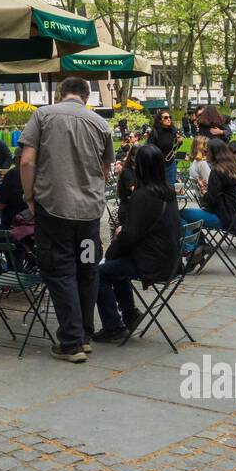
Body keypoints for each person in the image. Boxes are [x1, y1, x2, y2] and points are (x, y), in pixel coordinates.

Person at [19, 76, 114, 364]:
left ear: (62, 93)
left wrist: (29, 197)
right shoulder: (100, 124)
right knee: (87, 268)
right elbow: (106, 170)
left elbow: (26, 161)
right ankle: (84, 335)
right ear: (87, 96)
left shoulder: (44, 115)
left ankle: (71, 341)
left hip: (54, 209)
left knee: (60, 270)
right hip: (88, 214)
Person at [92, 145, 185, 343]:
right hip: (172, 260)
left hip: (152, 263)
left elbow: (129, 236)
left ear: (140, 167)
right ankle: (129, 313)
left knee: (99, 273)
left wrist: (112, 250)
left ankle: (113, 326)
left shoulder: (142, 195)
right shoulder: (168, 192)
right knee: (116, 265)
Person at [181, 138, 236, 245]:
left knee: (181, 214)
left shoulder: (217, 170)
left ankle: (191, 248)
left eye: (206, 151)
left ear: (213, 153)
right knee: (190, 216)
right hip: (233, 216)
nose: (205, 154)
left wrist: (204, 192)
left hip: (221, 217)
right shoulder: (233, 168)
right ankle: (199, 245)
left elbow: (212, 200)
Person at [0, 144, 28, 230]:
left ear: (18, 158)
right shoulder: (41, 173)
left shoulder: (12, 174)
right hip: (37, 230)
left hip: (13, 228)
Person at [147, 107, 183, 186]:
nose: (169, 119)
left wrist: (179, 142)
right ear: (160, 120)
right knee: (159, 187)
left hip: (171, 164)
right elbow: (148, 149)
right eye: (166, 117)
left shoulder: (173, 131)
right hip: (157, 164)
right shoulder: (155, 133)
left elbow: (173, 148)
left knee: (170, 187)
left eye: (170, 117)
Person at [115, 144, 139, 225]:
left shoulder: (139, 171)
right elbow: (135, 190)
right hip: (127, 212)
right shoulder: (127, 172)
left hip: (135, 209)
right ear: (132, 158)